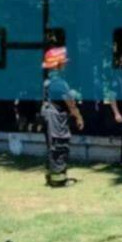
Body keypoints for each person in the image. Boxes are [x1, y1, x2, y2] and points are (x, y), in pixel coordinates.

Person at [40, 46, 84, 187]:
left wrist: (71, 92)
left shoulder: (50, 81)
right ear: (58, 64)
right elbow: (70, 104)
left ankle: (53, 176)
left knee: (53, 146)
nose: (65, 64)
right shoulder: (59, 83)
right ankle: (59, 181)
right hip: (56, 118)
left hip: (50, 115)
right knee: (59, 146)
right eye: (63, 62)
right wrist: (79, 117)